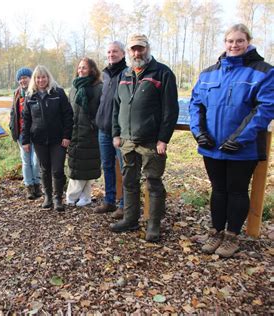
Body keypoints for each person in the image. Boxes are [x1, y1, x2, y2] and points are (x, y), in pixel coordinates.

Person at [189, 24, 273, 258]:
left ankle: (232, 236)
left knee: (236, 191)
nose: (234, 45)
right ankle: (216, 231)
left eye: (239, 41)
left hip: (242, 148)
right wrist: (199, 133)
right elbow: (196, 104)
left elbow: (265, 108)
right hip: (212, 145)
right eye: (230, 41)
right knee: (218, 190)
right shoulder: (209, 73)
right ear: (224, 43)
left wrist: (239, 138)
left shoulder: (263, 71)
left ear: (248, 42)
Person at [111, 34, 179, 242]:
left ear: (147, 49)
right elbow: (117, 107)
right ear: (129, 52)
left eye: (140, 48)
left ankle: (153, 225)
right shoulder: (125, 74)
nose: (136, 53)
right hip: (127, 141)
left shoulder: (162, 73)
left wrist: (163, 139)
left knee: (153, 183)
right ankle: (130, 219)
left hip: (151, 142)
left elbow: (170, 110)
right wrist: (116, 133)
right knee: (130, 182)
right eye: (133, 49)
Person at [22, 65, 73, 211]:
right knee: (44, 169)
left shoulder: (58, 93)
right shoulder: (30, 96)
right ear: (34, 79)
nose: (41, 80)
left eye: (43, 77)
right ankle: (48, 197)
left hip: (58, 139)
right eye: (38, 77)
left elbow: (68, 115)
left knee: (57, 170)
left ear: (48, 78)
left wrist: (67, 136)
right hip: (39, 139)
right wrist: (25, 140)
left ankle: (58, 198)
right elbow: (26, 119)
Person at [94, 41, 127, 217]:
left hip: (121, 131)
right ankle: (109, 201)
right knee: (107, 166)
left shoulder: (127, 74)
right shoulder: (105, 75)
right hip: (103, 129)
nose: (111, 54)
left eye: (115, 51)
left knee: (124, 168)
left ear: (123, 54)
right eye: (108, 51)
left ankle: (124, 204)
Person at [66, 57, 103, 207]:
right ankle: (85, 196)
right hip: (75, 131)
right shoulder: (74, 87)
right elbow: (69, 109)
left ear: (92, 70)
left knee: (86, 165)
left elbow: (102, 110)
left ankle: (71, 195)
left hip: (91, 132)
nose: (81, 70)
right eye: (79, 67)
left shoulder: (99, 87)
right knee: (78, 164)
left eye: (84, 68)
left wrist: (94, 124)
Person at [9, 67, 42, 200]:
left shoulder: (37, 92)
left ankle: (37, 184)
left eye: (25, 78)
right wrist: (12, 128)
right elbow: (13, 112)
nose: (23, 80)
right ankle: (29, 187)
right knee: (26, 161)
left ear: (31, 78)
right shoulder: (17, 93)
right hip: (22, 133)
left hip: (36, 133)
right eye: (20, 79)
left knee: (35, 161)